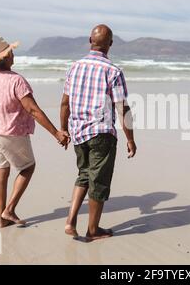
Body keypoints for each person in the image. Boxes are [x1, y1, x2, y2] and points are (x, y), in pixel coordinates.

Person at [0, 36, 69, 228]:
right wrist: (56, 133)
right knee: (27, 167)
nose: (13, 54)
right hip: (10, 133)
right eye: (11, 52)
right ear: (7, 56)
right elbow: (33, 110)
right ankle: (9, 209)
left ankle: (1, 219)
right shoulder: (16, 81)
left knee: (0, 173)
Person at [60, 24, 137, 242]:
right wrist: (130, 139)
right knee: (99, 182)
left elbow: (65, 103)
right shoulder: (113, 71)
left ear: (89, 40)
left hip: (78, 131)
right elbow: (122, 107)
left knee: (83, 174)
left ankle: (70, 220)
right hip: (101, 132)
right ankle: (93, 230)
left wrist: (63, 129)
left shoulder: (74, 67)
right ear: (110, 44)